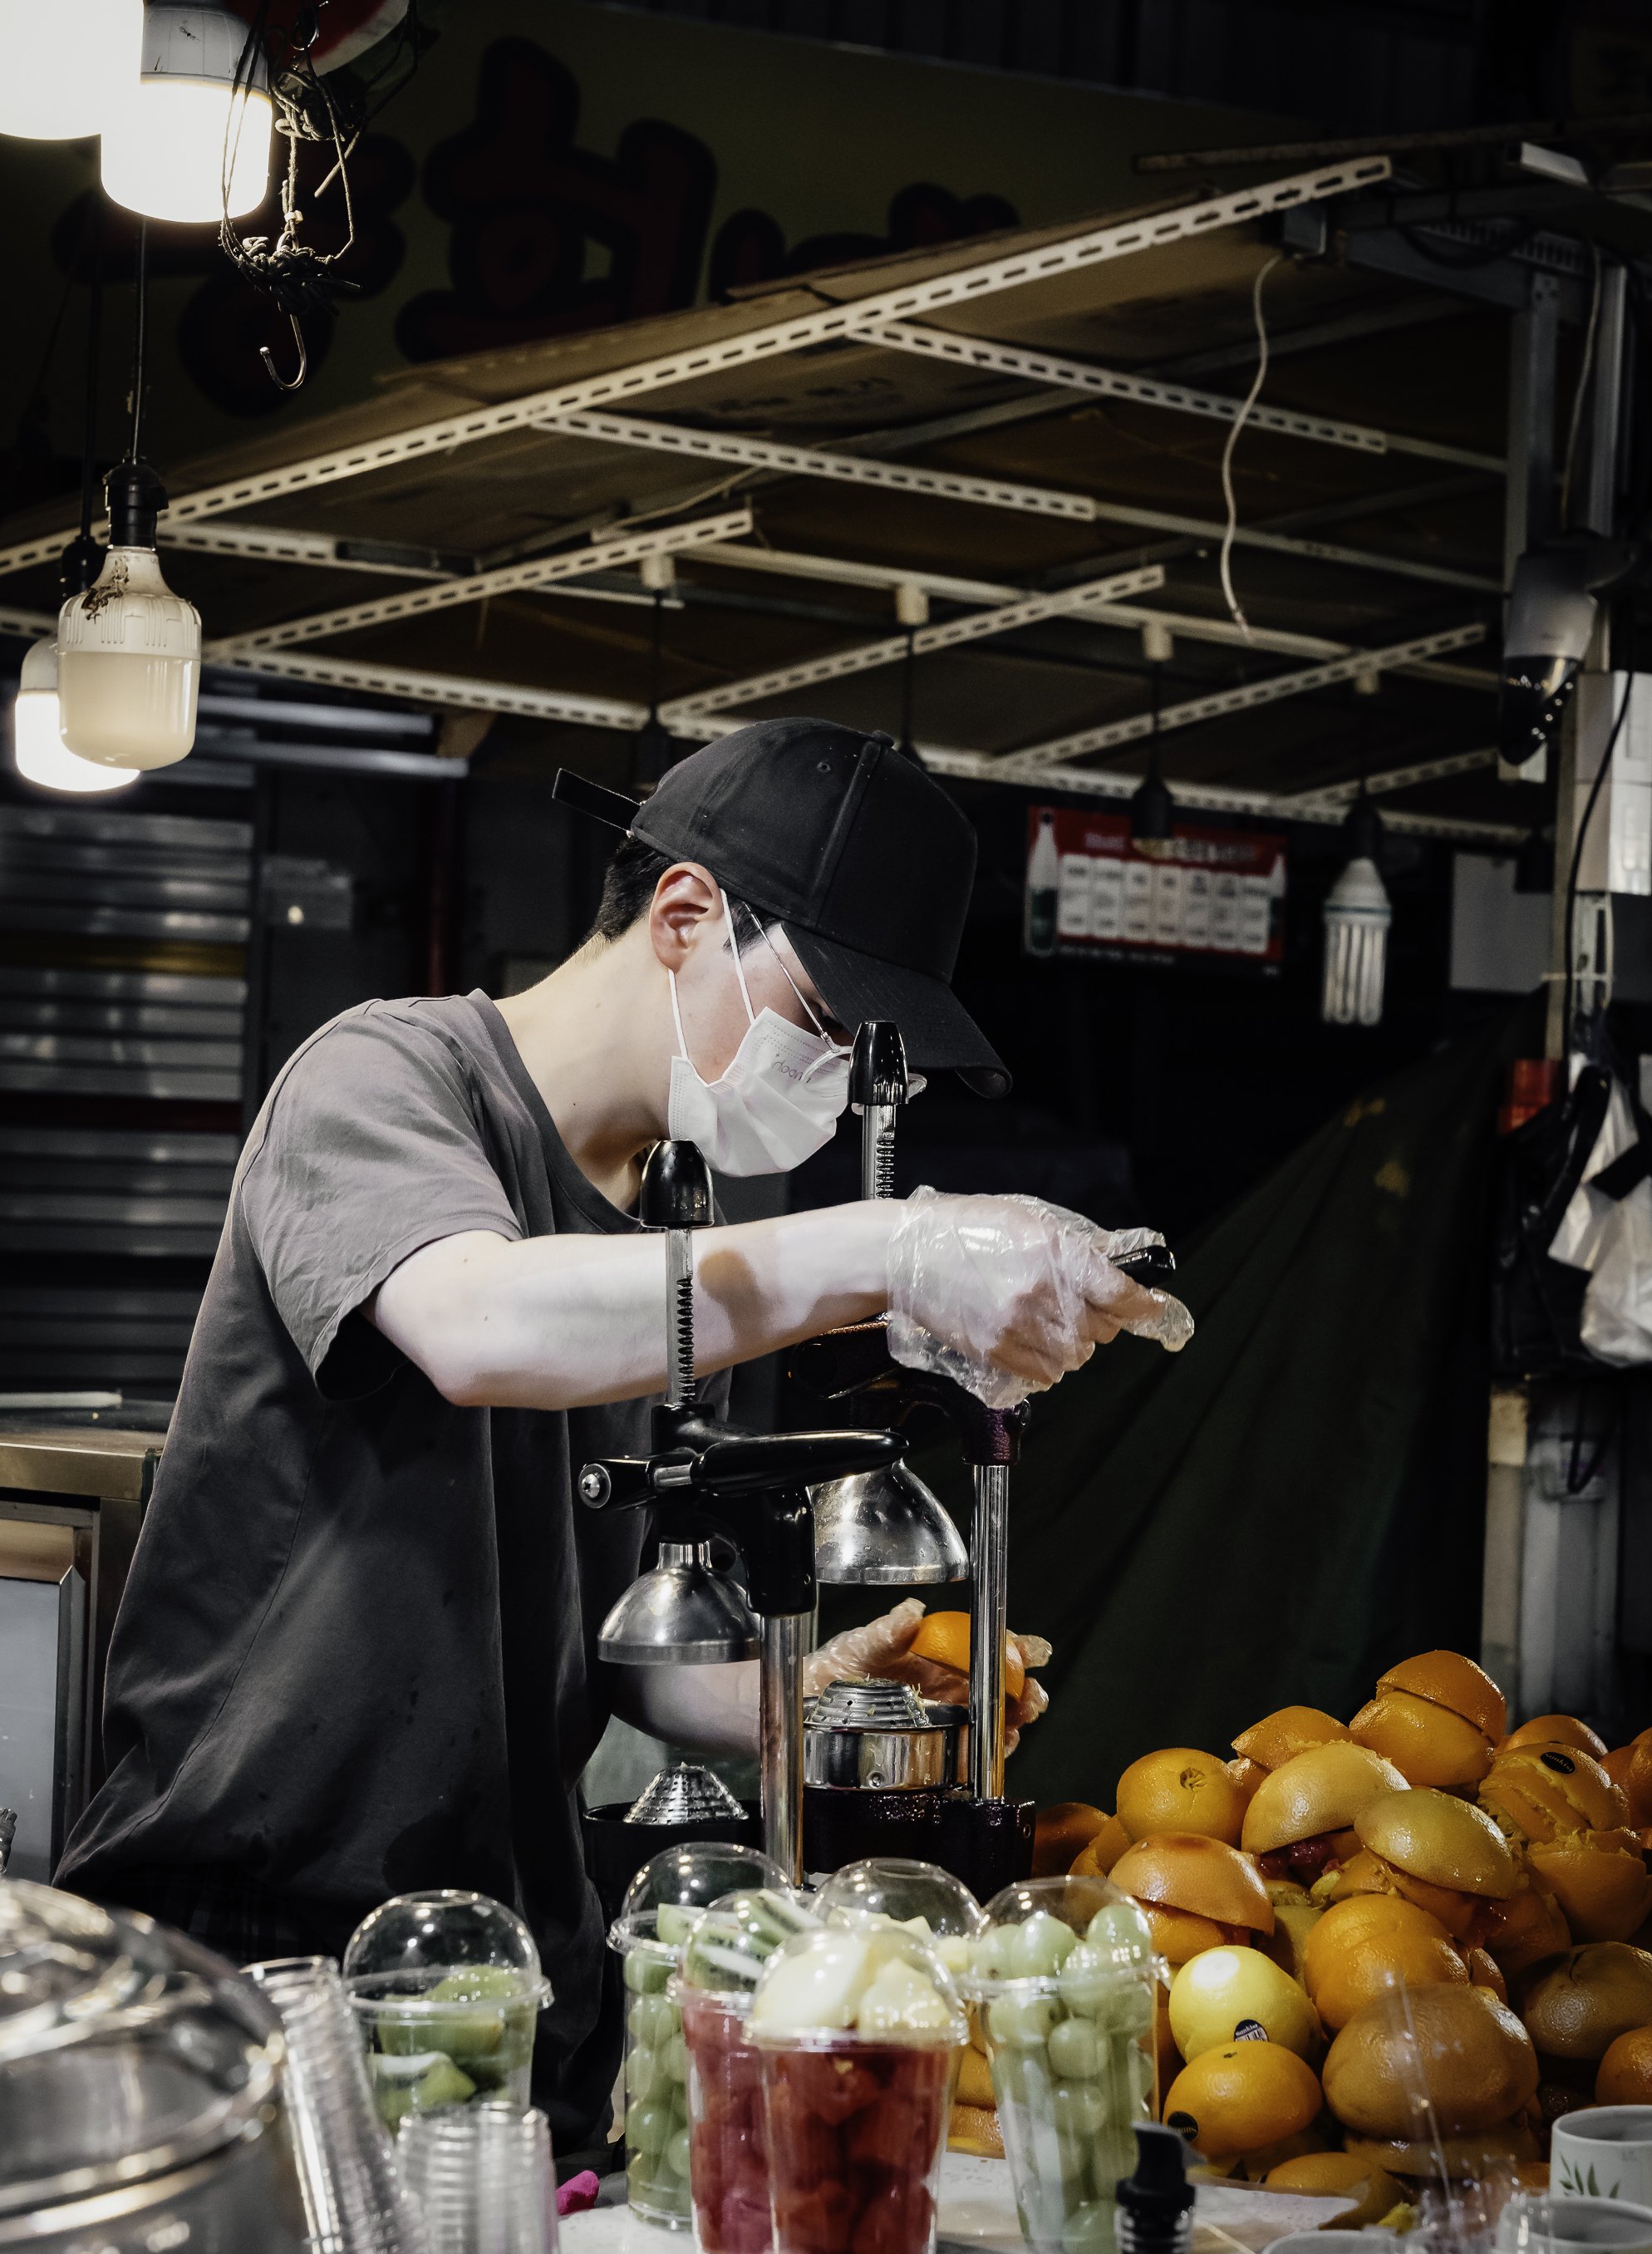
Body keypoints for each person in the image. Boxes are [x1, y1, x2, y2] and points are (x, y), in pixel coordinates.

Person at [57, 719, 1186, 2143]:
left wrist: (787, 1706)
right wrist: (892, 1250)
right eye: (822, 1021)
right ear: (686, 916)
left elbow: (585, 1629)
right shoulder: (385, 1080)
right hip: (255, 1949)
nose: (831, 1078)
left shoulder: (682, 1214)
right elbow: (476, 1328)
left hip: (511, 1974)